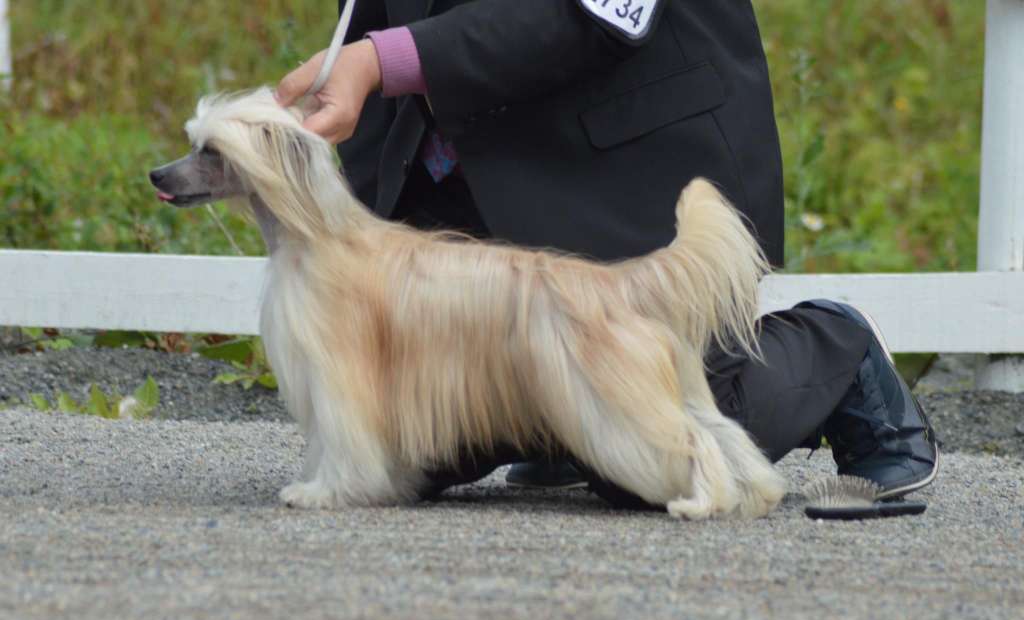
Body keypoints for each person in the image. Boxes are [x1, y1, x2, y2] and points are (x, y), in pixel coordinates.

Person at [275, 0, 938, 506]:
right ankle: (550, 418)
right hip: (474, 177)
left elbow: (593, 18)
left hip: (628, 166)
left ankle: (838, 349)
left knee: (659, 465)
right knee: (411, 452)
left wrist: (380, 61)